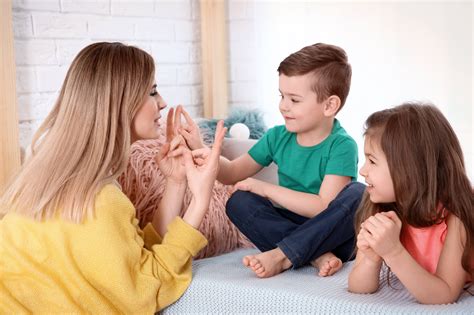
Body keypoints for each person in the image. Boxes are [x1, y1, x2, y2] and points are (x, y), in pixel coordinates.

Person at [0, 42, 226, 313]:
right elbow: (143, 291)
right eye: (152, 92)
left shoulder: (46, 181)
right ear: (120, 103)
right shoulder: (101, 198)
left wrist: (176, 182)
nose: (162, 102)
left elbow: (131, 260)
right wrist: (200, 198)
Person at [180, 43, 365, 278]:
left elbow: (322, 207)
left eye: (294, 100)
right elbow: (232, 172)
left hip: (331, 232)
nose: (283, 106)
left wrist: (265, 189)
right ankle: (313, 254)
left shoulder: (341, 146)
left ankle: (283, 254)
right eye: (282, 96)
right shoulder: (278, 136)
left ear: (329, 105)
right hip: (290, 226)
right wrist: (202, 147)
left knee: (359, 194)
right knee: (239, 202)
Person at [348, 103, 473, 304]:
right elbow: (358, 287)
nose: (362, 170)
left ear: (409, 169)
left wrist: (393, 251)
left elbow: (445, 294)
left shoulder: (457, 215)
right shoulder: (381, 208)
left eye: (372, 161)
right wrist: (371, 258)